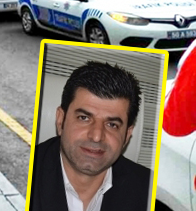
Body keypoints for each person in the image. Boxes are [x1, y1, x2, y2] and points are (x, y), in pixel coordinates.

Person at [29, 61, 150, 211]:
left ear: (127, 135)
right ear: (61, 120)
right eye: (84, 118)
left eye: (112, 125)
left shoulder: (148, 190)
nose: (97, 136)